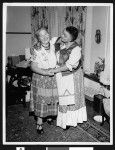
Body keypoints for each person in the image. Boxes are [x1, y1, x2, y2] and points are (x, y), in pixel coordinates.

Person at [49, 26, 87, 129]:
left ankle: (69, 121)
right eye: (62, 32)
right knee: (60, 97)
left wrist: (55, 70)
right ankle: (57, 117)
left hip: (72, 76)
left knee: (70, 99)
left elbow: (69, 65)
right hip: (59, 74)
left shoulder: (76, 49)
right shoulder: (56, 40)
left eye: (65, 35)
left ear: (71, 39)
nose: (62, 36)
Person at [30, 28, 59, 134]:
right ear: (38, 38)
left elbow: (66, 37)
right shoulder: (35, 50)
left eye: (46, 34)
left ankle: (50, 117)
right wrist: (46, 73)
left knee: (52, 98)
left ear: (49, 34)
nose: (45, 37)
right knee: (42, 101)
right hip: (41, 76)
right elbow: (33, 67)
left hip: (53, 75)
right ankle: (39, 122)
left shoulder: (54, 45)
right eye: (41, 35)